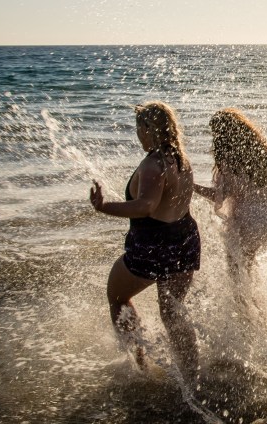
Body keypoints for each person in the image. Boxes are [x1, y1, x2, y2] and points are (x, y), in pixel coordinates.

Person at [89, 101, 199, 383]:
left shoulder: (154, 164)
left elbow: (146, 206)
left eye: (139, 128)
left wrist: (103, 207)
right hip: (185, 238)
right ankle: (192, 374)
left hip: (154, 243)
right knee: (172, 311)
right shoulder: (180, 159)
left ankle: (141, 366)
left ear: (148, 129)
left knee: (117, 297)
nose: (137, 134)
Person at [192, 108, 267, 278]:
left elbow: (219, 197)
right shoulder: (264, 153)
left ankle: (243, 304)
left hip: (248, 222)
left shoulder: (230, 162)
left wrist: (191, 186)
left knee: (236, 270)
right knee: (249, 264)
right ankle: (255, 302)